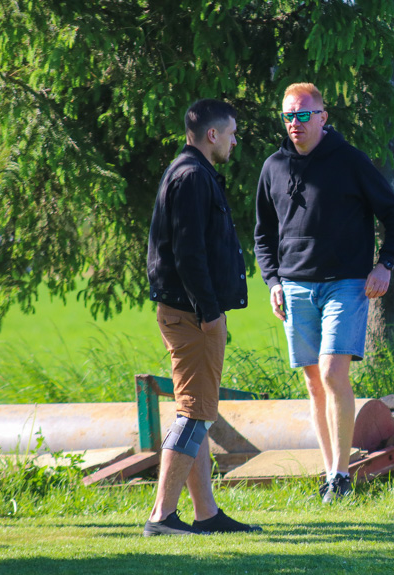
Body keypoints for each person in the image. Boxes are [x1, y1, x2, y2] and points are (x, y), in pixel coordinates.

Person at [254, 83, 394, 503]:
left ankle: (342, 475)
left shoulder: (350, 162)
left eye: (303, 115)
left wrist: (386, 264)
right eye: (288, 116)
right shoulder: (273, 167)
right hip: (294, 287)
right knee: (313, 382)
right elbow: (263, 235)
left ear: (323, 117)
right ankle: (330, 475)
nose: (295, 124)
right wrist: (272, 282)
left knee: (331, 373)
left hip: (345, 284)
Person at [145, 99, 260, 535]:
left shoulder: (188, 171)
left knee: (199, 409)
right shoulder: (192, 176)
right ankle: (161, 515)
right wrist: (210, 312)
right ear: (212, 135)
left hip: (191, 311)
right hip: (193, 315)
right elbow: (188, 252)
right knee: (193, 413)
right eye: (231, 132)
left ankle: (206, 513)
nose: (234, 140)